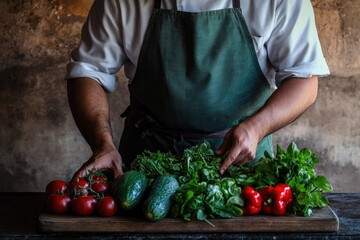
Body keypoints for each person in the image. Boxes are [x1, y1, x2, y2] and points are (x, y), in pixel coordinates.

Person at [65, 0, 330, 180]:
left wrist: (257, 128)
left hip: (241, 167)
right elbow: (88, 71)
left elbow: (304, 79)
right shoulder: (123, 3)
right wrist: (103, 143)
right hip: (146, 167)